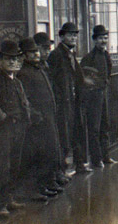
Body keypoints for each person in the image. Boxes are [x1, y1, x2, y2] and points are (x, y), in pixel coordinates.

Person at [0, 40, 31, 217]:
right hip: (3, 131)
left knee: (15, 165)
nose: (13, 62)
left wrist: (26, 118)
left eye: (15, 59)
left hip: (18, 128)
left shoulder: (16, 81)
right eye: (8, 59)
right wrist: (4, 118)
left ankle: (9, 198)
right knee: (2, 167)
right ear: (0, 59)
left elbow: (24, 102)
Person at [17, 38, 63, 201]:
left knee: (49, 151)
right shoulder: (24, 73)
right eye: (32, 52)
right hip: (37, 121)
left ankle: (46, 184)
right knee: (36, 155)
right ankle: (35, 189)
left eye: (36, 51)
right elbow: (25, 98)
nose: (36, 54)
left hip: (48, 117)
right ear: (24, 56)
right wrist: (36, 115)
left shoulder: (39, 69)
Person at [47, 22, 90, 174]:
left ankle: (79, 164)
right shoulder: (56, 55)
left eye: (75, 35)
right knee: (64, 136)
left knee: (77, 132)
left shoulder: (70, 54)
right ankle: (64, 169)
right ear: (62, 36)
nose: (73, 38)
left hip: (73, 101)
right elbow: (51, 80)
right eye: (70, 35)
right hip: (64, 103)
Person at [33, 31, 70, 187]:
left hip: (53, 108)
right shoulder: (36, 67)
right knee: (46, 146)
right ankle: (49, 179)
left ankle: (56, 173)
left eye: (48, 49)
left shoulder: (44, 65)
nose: (46, 52)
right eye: (43, 49)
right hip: (41, 113)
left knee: (57, 142)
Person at [78, 25, 117, 169]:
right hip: (92, 96)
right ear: (94, 40)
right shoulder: (89, 58)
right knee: (94, 128)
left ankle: (105, 156)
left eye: (105, 38)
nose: (103, 41)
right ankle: (96, 159)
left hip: (102, 94)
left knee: (104, 125)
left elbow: (108, 74)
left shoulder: (106, 55)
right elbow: (84, 77)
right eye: (100, 38)